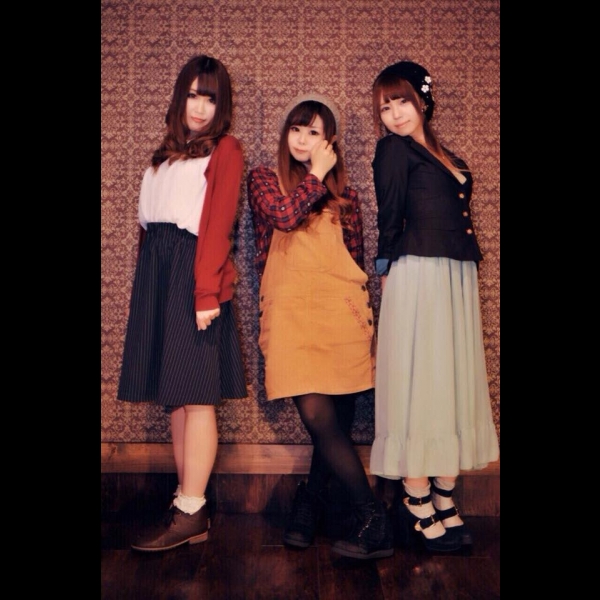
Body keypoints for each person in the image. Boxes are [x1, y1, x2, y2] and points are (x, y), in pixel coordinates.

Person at [247, 93, 393, 560]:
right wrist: (315, 175)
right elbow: (285, 217)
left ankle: (311, 504)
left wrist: (363, 315)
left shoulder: (347, 196)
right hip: (291, 311)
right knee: (316, 415)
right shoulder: (264, 179)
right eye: (296, 129)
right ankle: (373, 517)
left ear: (329, 140)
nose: (302, 139)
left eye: (313, 132)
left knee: (335, 424)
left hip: (340, 313)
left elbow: (355, 258)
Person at [117, 54, 248, 552]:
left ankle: (192, 509)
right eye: (192, 95)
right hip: (159, 272)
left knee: (196, 394)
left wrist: (206, 292)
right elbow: (148, 229)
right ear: (179, 98)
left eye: (209, 98)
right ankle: (185, 501)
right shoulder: (164, 155)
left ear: (221, 105)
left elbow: (217, 226)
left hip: (195, 273)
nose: (199, 107)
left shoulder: (226, 150)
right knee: (175, 393)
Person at [368, 60, 500, 552]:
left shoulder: (442, 153)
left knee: (450, 379)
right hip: (419, 272)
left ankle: (444, 493)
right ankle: (416, 496)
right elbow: (389, 214)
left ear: (422, 100)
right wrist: (386, 270)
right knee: (422, 380)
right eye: (385, 107)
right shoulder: (392, 150)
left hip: (454, 274)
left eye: (402, 101)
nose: (395, 114)